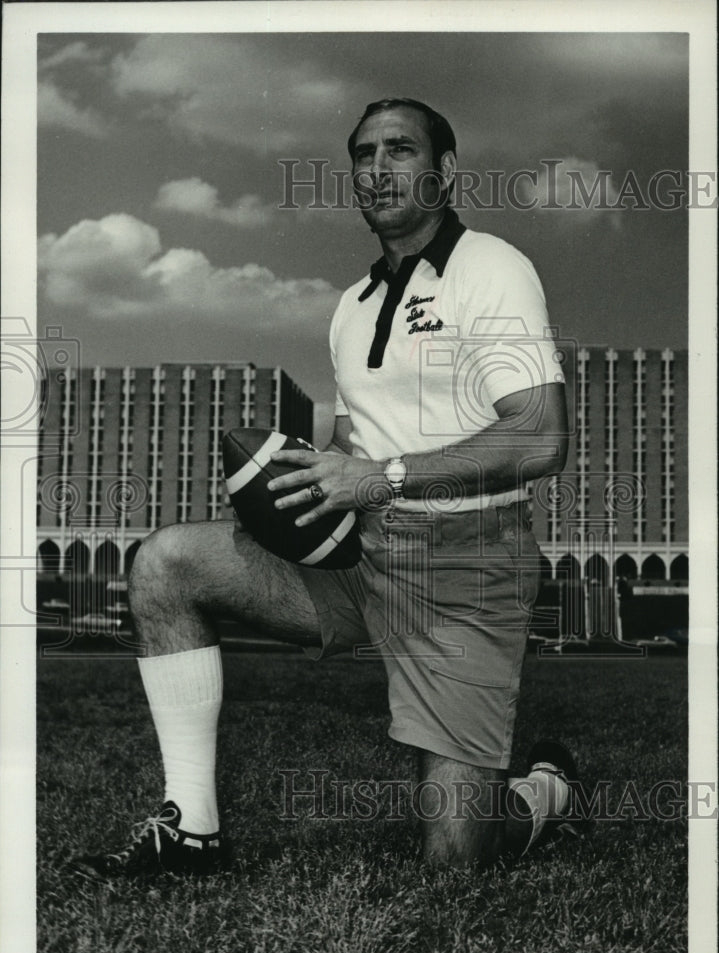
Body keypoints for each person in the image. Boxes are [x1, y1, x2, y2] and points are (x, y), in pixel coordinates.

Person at [71, 98, 579, 880]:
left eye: (399, 151)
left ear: (444, 173)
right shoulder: (353, 307)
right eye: (363, 154)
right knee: (167, 562)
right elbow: (354, 447)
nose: (376, 170)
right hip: (362, 557)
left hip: (465, 568)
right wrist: (301, 484)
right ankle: (192, 832)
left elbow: (538, 436)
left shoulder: (493, 268)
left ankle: (539, 797)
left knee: (454, 863)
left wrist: (381, 476)